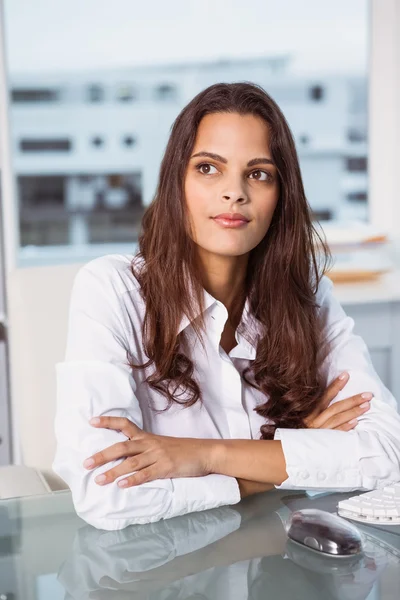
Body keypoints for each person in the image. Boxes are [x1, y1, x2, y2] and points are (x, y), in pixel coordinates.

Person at [52, 82, 400, 531]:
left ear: (281, 195)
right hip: (164, 573)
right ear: (176, 182)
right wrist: (298, 456)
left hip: (281, 565)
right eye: (208, 168)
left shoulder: (310, 296)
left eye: (258, 173)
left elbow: (388, 454)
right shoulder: (111, 289)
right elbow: (106, 495)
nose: (234, 192)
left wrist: (203, 456)